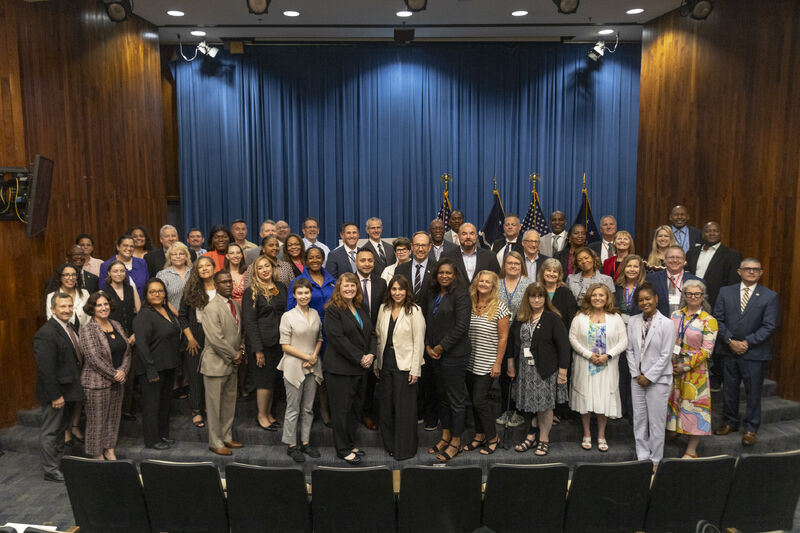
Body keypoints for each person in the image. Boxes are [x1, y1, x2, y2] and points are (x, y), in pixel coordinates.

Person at [713, 258, 779, 446]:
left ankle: (751, 428)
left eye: (755, 269)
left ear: (761, 273)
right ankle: (730, 422)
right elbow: (717, 319)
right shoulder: (725, 292)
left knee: (753, 392)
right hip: (728, 350)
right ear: (739, 272)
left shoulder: (769, 296)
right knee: (730, 390)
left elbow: (770, 325)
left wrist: (747, 343)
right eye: (747, 269)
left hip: (754, 353)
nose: (751, 272)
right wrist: (730, 341)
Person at [509, 283, 570, 456]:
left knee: (544, 406)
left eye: (540, 296)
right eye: (533, 296)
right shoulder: (521, 318)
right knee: (528, 405)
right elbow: (512, 346)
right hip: (524, 370)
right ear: (527, 298)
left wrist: (563, 372)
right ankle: (531, 434)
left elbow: (564, 347)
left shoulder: (553, 318)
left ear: (545, 298)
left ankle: (543, 439)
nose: (537, 299)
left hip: (545, 370)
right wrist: (511, 364)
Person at [323, 273, 377, 464]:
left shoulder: (360, 307)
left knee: (355, 409)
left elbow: (371, 333)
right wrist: (360, 357)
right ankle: (342, 449)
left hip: (360, 369)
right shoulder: (333, 310)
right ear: (339, 288)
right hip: (340, 370)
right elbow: (337, 339)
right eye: (346, 286)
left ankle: (350, 442)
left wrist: (371, 354)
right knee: (341, 411)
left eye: (353, 286)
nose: (349, 289)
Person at [569, 283, 627, 451]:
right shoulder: (580, 316)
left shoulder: (615, 317)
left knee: (603, 398)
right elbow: (572, 338)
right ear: (589, 297)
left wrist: (607, 355)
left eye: (601, 295)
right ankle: (587, 433)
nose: (597, 298)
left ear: (607, 297)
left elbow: (624, 341)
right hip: (585, 363)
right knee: (585, 398)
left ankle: (601, 435)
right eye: (594, 295)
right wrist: (588, 355)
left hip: (606, 365)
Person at [425, 258, 471, 461]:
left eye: (448, 273)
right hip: (435, 355)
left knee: (456, 400)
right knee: (442, 397)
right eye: (441, 273)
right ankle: (445, 436)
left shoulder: (460, 294)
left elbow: (461, 326)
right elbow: (428, 322)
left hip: (454, 354)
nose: (444, 276)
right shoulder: (435, 293)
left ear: (455, 275)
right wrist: (428, 345)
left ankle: (456, 441)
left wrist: (441, 347)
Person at [375, 275, 425, 460]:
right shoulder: (383, 308)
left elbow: (419, 342)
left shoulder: (414, 310)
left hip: (405, 365)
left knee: (405, 409)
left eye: (401, 289)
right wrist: (376, 363)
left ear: (407, 291)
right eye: (394, 289)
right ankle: (390, 445)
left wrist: (415, 369)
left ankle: (406, 449)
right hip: (385, 363)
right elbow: (379, 337)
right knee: (386, 407)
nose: (397, 293)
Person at [34, 292, 83, 482]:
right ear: (52, 309)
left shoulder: (68, 327)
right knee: (50, 432)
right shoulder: (46, 333)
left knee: (62, 428)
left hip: (68, 390)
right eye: (62, 307)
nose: (67, 310)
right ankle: (50, 470)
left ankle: (58, 463)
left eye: (70, 306)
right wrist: (55, 396)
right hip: (56, 393)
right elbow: (46, 369)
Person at [626, 282, 675, 469]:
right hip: (637, 378)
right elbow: (629, 350)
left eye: (648, 298)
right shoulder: (633, 321)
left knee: (656, 422)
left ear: (656, 299)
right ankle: (642, 458)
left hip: (658, 380)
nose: (645, 302)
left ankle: (655, 459)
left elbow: (666, 355)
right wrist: (636, 374)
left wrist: (649, 376)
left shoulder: (667, 323)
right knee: (639, 420)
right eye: (641, 300)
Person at [667, 280, 718, 458]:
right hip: (673, 366)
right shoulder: (675, 315)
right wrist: (671, 364)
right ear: (685, 296)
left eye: (697, 294)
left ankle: (691, 450)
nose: (693, 297)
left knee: (695, 407)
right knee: (673, 401)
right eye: (689, 294)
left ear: (703, 297)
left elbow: (707, 351)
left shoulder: (709, 321)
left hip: (695, 371)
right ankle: (673, 431)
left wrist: (685, 366)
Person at [287, 246, 337, 424]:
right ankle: (315, 410)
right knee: (311, 372)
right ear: (306, 260)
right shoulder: (298, 281)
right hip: (307, 334)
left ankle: (328, 408)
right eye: (311, 257)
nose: (315, 260)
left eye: (318, 257)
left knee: (327, 372)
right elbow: (290, 310)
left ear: (323, 259)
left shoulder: (332, 280)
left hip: (331, 335)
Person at [79, 291, 131, 461]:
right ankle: (96, 454)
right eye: (99, 305)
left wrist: (123, 370)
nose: (103, 308)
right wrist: (115, 373)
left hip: (117, 382)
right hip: (96, 384)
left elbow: (127, 351)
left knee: (113, 418)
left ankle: (109, 449)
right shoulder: (88, 329)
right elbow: (93, 358)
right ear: (92, 308)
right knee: (97, 421)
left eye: (106, 304)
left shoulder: (116, 324)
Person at [463, 271, 510, 455]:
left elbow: (503, 338)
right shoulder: (470, 304)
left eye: (487, 282)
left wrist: (498, 363)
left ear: (493, 286)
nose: (483, 284)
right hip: (469, 361)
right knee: (473, 402)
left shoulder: (500, 307)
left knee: (478, 400)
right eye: (481, 281)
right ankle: (479, 435)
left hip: (487, 362)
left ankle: (492, 437)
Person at [201, 271, 245, 456]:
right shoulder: (211, 308)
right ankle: (215, 441)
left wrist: (241, 350)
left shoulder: (235, 304)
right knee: (214, 407)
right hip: (215, 364)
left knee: (228, 404)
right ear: (216, 285)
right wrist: (233, 354)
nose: (228, 284)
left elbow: (239, 332)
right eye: (223, 282)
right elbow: (215, 339)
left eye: (230, 281)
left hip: (232, 363)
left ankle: (226, 437)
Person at [279, 278, 323, 462]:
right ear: (294, 295)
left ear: (310, 294)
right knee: (293, 408)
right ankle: (291, 445)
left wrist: (313, 356)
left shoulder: (314, 313)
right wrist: (307, 357)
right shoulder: (287, 316)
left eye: (307, 293)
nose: (304, 296)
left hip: (313, 365)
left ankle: (305, 442)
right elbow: (284, 346)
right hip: (293, 365)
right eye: (300, 293)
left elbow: (320, 338)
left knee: (308, 408)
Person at [133, 278, 181, 449]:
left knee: (164, 404)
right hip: (152, 369)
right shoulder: (144, 315)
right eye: (152, 291)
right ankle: (152, 440)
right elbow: (142, 346)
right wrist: (150, 370)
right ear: (146, 294)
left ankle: (162, 435)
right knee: (152, 406)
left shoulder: (166, 309)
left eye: (160, 291)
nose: (157, 294)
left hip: (167, 366)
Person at [242, 256, 288, 431]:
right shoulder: (251, 291)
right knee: (263, 381)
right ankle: (261, 416)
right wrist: (258, 349)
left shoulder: (280, 287)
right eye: (260, 268)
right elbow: (250, 322)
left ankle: (269, 414)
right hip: (261, 344)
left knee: (272, 381)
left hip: (279, 342)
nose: (264, 270)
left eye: (267, 266)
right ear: (255, 272)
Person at [495, 251, 532, 428]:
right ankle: (505, 409)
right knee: (502, 372)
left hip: (521, 336)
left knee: (518, 371)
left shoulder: (528, 284)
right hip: (498, 335)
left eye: (517, 264)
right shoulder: (497, 283)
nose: (513, 266)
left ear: (521, 266)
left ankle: (519, 410)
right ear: (504, 265)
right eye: (509, 263)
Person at [179, 256, 217, 428]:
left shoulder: (221, 287)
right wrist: (190, 338)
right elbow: (182, 317)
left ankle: (211, 408)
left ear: (214, 268)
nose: (204, 269)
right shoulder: (191, 289)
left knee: (213, 376)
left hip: (216, 336)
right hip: (195, 335)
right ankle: (196, 411)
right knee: (195, 376)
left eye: (207, 265)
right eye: (200, 267)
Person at [105, 260, 141, 421]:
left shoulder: (130, 289)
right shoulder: (104, 292)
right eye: (115, 271)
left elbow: (139, 312)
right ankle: (114, 411)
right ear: (109, 274)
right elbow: (103, 317)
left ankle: (126, 409)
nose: (119, 274)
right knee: (115, 373)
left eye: (122, 271)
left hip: (131, 336)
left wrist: (135, 334)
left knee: (130, 374)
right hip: (113, 338)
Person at [355, 247, 387, 430]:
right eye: (362, 260)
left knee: (371, 381)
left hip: (374, 338)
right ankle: (355, 414)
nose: (366, 264)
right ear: (356, 262)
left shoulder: (381, 283)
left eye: (370, 260)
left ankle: (367, 414)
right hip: (354, 338)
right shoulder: (348, 281)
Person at [614, 254, 646, 420]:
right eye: (629, 266)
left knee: (635, 369)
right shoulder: (617, 287)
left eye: (636, 266)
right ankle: (620, 407)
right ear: (623, 268)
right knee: (621, 370)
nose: (632, 269)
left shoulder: (645, 287)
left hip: (639, 333)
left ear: (640, 269)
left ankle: (633, 410)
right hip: (619, 332)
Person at [685, 221, 741, 308]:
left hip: (716, 302)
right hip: (691, 300)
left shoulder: (732, 255)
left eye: (715, 231)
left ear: (721, 233)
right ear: (702, 234)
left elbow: (733, 283)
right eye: (707, 231)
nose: (711, 233)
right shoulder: (692, 252)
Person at [646, 245, 702, 317]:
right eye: (671, 257)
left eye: (678, 257)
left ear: (684, 260)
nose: (675, 260)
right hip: (658, 325)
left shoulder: (697, 282)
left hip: (687, 325)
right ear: (665, 259)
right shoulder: (651, 279)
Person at [45, 263, 90, 329]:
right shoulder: (51, 296)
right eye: (66, 275)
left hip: (86, 334)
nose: (71, 278)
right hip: (63, 336)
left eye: (73, 275)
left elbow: (90, 316)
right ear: (60, 277)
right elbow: (51, 320)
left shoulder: (85, 293)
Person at [538, 258, 578, 330]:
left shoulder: (566, 293)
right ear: (543, 272)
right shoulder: (535, 290)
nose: (551, 274)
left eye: (555, 271)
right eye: (548, 270)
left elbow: (572, 318)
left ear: (559, 275)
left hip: (560, 334)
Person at [397, 231, 434, 306]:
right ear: (412, 247)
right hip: (406, 315)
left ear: (430, 247)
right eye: (417, 245)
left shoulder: (437, 269)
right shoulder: (400, 270)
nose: (420, 249)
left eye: (424, 245)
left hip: (430, 317)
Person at [156, 241, 192, 315]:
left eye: (181, 254)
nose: (178, 256)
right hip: (171, 316)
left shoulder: (194, 272)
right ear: (170, 257)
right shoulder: (163, 275)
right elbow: (161, 298)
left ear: (186, 256)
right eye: (174, 254)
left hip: (193, 317)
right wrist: (177, 314)